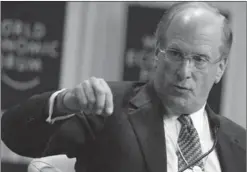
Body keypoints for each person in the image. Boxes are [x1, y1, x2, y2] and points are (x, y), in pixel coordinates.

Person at [2, 2, 245, 172]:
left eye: (200, 60)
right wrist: (65, 102)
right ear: (157, 54)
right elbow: (15, 135)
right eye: (175, 54)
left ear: (220, 68)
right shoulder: (109, 108)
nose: (184, 72)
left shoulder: (238, 144)